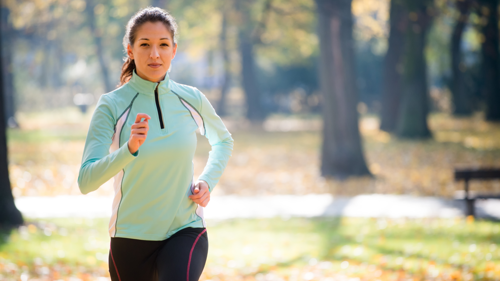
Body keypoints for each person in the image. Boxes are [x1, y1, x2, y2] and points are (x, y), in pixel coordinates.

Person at [77, 7, 234, 281]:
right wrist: (130, 149)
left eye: (163, 45)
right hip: (130, 237)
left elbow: (223, 140)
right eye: (145, 45)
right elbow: (86, 180)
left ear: (174, 50)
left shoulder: (191, 98)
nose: (154, 54)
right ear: (130, 50)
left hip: (184, 229)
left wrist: (208, 181)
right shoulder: (112, 105)